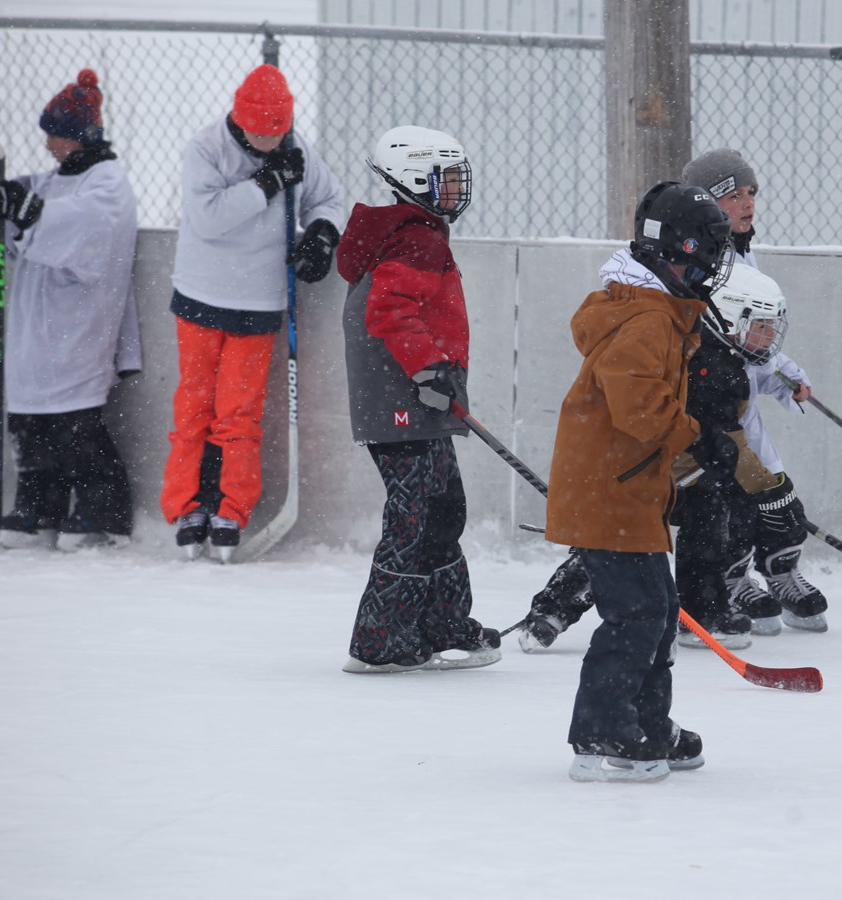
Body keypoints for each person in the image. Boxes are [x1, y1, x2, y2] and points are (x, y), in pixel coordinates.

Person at [547, 181, 735, 783]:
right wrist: (695, 435)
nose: (713, 266)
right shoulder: (647, 321)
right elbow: (638, 408)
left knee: (657, 609)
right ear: (677, 252)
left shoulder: (660, 314)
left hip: (631, 492)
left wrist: (690, 454)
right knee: (635, 616)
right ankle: (602, 735)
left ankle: (648, 725)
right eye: (708, 251)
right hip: (611, 493)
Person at [511, 266, 789, 653]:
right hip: (646, 468)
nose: (770, 336)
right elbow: (647, 409)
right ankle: (552, 611)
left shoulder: (732, 365)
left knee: (708, 524)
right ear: (730, 316)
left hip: (694, 469)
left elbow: (730, 437)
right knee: (616, 544)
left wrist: (765, 484)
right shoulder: (687, 349)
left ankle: (703, 611)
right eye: (761, 325)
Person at [335, 125, 502, 675]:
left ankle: (442, 625)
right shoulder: (416, 240)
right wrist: (429, 369)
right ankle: (380, 639)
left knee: (441, 508)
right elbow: (391, 311)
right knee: (419, 515)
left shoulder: (413, 232)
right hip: (405, 400)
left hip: (417, 399)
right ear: (413, 179)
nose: (457, 188)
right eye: (446, 178)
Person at [160, 63, 343, 560]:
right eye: (259, 131)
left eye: (276, 131)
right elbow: (209, 217)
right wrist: (266, 184)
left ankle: (232, 507)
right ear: (240, 120)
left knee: (239, 414)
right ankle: (186, 504)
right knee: (194, 407)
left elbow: (327, 197)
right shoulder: (206, 147)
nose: (268, 139)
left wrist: (323, 234)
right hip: (201, 295)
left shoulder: (295, 148)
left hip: (260, 302)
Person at [0, 69, 141, 551]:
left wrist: (27, 210)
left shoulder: (108, 184)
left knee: (76, 431)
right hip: (33, 333)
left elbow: (88, 229)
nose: (47, 146)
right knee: (31, 427)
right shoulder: (53, 179)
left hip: (78, 328)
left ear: (77, 136)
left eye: (55, 136)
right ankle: (39, 506)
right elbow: (9, 214)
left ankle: (102, 514)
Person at [681, 147, 828, 634]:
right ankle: (733, 579)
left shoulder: (743, 253)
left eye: (751, 193)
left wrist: (786, 377)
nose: (748, 203)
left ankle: (780, 572)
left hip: (741, 407)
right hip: (708, 414)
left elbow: (755, 341)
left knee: (777, 501)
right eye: (734, 195)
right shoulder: (695, 261)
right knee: (731, 506)